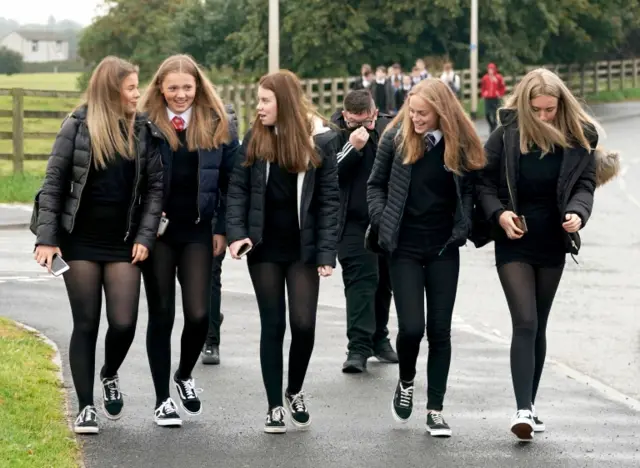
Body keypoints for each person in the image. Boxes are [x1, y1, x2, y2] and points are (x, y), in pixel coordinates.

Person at [33, 56, 164, 434]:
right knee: (87, 322)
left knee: (123, 322)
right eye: (131, 88)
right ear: (111, 91)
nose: (138, 94)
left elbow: (156, 188)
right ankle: (86, 406)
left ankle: (109, 373)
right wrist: (47, 238)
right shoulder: (76, 126)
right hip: (80, 240)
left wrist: (144, 236)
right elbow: (54, 182)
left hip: (123, 241)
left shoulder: (143, 129)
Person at [475, 68, 608, 441]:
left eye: (551, 109)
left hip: (554, 240)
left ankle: (530, 408)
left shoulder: (579, 137)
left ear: (560, 105)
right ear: (525, 104)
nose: (545, 116)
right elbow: (482, 181)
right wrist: (499, 214)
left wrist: (578, 214)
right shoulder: (506, 135)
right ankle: (521, 410)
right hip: (513, 238)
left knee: (540, 324)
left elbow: (585, 184)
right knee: (525, 321)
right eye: (538, 109)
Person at [367, 78, 485, 437]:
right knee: (412, 328)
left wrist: (461, 228)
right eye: (412, 111)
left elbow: (468, 191)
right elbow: (375, 185)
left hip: (443, 249)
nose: (415, 118)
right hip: (402, 248)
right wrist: (382, 219)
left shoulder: (458, 144)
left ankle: (435, 409)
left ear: (441, 112)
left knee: (440, 331)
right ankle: (406, 381)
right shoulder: (395, 137)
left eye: (422, 113)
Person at [226, 70, 339, 434]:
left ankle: (294, 390)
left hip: (302, 249)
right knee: (273, 325)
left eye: (265, 101)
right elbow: (238, 191)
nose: (258, 108)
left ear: (284, 102)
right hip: (264, 246)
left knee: (304, 325)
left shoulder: (319, 143)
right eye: (258, 100)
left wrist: (325, 253)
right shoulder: (254, 139)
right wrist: (237, 234)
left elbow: (328, 203)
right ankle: (274, 405)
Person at [139, 54, 239, 427]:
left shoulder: (217, 122)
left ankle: (183, 375)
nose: (180, 95)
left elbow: (231, 181)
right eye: (173, 88)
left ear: (198, 87)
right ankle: (162, 398)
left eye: (187, 87)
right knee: (162, 314)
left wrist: (222, 227)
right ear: (160, 89)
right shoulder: (144, 124)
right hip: (159, 233)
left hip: (199, 229)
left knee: (199, 314)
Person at [330, 89, 397, 373]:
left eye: (366, 121)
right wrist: (352, 148)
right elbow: (329, 177)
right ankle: (357, 347)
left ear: (374, 112)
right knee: (361, 282)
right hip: (351, 221)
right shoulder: (333, 135)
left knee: (384, 282)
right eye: (354, 122)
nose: (361, 127)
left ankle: (379, 338)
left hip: (384, 219)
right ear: (345, 115)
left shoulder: (388, 129)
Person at [201, 192, 226, 365]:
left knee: (210, 275)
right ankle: (212, 316)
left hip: (212, 216)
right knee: (188, 279)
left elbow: (226, 184)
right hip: (179, 215)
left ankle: (211, 340)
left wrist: (221, 228)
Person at [480, 63, 506, 133]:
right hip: (488, 98)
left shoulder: (498, 77)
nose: (490, 71)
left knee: (495, 114)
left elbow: (502, 87)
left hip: (495, 98)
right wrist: (483, 93)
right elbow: (482, 87)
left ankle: (493, 127)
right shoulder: (485, 78)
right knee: (487, 114)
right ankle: (492, 125)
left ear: (494, 70)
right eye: (489, 69)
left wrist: (500, 93)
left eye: (492, 69)